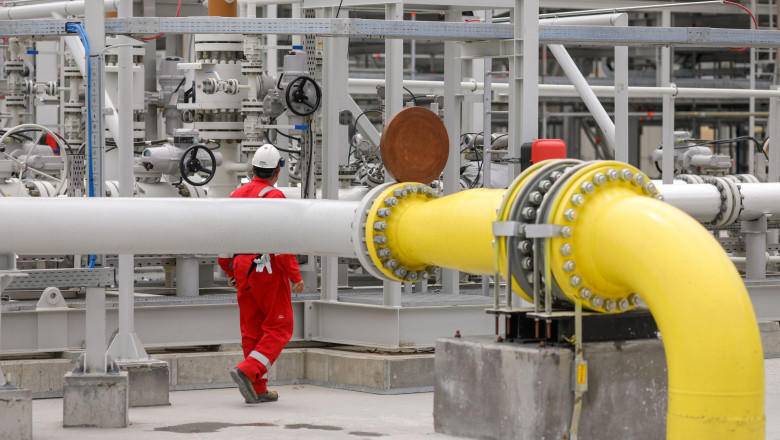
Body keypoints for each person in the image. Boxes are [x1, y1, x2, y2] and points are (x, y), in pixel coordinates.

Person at [218, 144, 305, 404]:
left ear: (253, 168)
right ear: (277, 172)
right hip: (266, 268)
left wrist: (228, 267)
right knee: (280, 327)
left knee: (252, 330)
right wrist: (295, 276)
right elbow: (281, 243)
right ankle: (248, 371)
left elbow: (225, 236)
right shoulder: (274, 197)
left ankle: (257, 388)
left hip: (242, 269)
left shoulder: (236, 194)